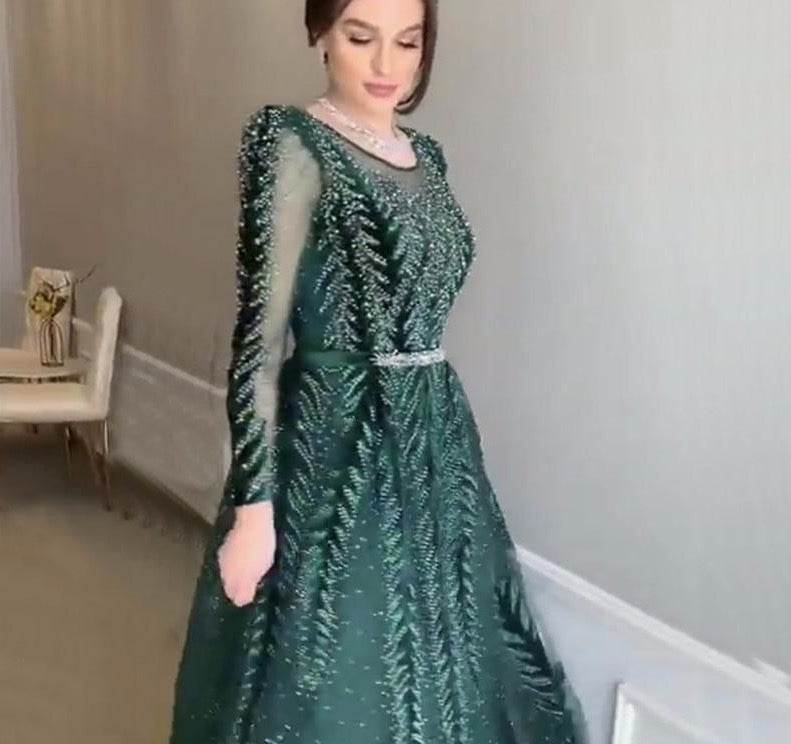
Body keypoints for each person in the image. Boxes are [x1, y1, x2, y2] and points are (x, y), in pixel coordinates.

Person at [169, 1, 590, 742]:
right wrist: (255, 510)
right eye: (360, 38)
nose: (386, 64)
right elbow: (260, 339)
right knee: (336, 667)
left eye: (408, 42)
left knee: (455, 658)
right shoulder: (291, 143)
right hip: (335, 446)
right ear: (319, 35)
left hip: (435, 441)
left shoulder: (429, 156)